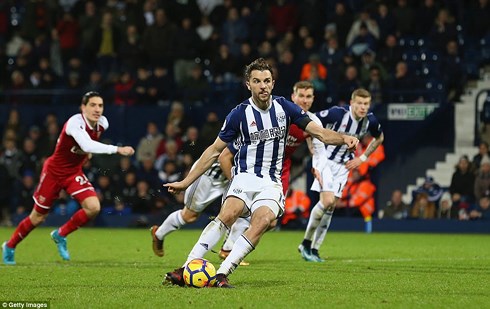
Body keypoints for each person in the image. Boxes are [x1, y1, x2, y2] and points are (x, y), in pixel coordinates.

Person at [163, 58, 358, 288]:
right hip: (244, 177)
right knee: (228, 214)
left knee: (264, 220)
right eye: (257, 81)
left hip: (271, 181)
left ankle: (222, 274)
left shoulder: (285, 107)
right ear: (248, 84)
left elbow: (321, 133)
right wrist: (186, 182)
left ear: (273, 83)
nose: (263, 85)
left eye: (266, 81)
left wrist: (344, 139)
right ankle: (187, 268)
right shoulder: (239, 114)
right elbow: (215, 151)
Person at [1, 91, 135, 265]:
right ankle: (10, 246)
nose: (97, 109)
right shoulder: (74, 123)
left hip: (73, 172)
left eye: (100, 105)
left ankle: (61, 234)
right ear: (83, 107)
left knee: (93, 207)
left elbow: (87, 146)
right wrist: (117, 149)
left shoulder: (103, 124)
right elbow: (86, 144)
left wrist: (86, 155)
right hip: (54, 172)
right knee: (38, 218)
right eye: (92, 105)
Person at [298, 88, 384, 262]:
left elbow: (379, 138)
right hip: (325, 159)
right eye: (359, 103)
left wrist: (363, 158)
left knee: (330, 207)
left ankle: (314, 249)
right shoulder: (338, 114)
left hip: (343, 166)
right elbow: (310, 121)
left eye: (366, 104)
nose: (362, 107)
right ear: (351, 103)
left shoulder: (370, 121)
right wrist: (310, 145)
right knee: (327, 201)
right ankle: (305, 244)